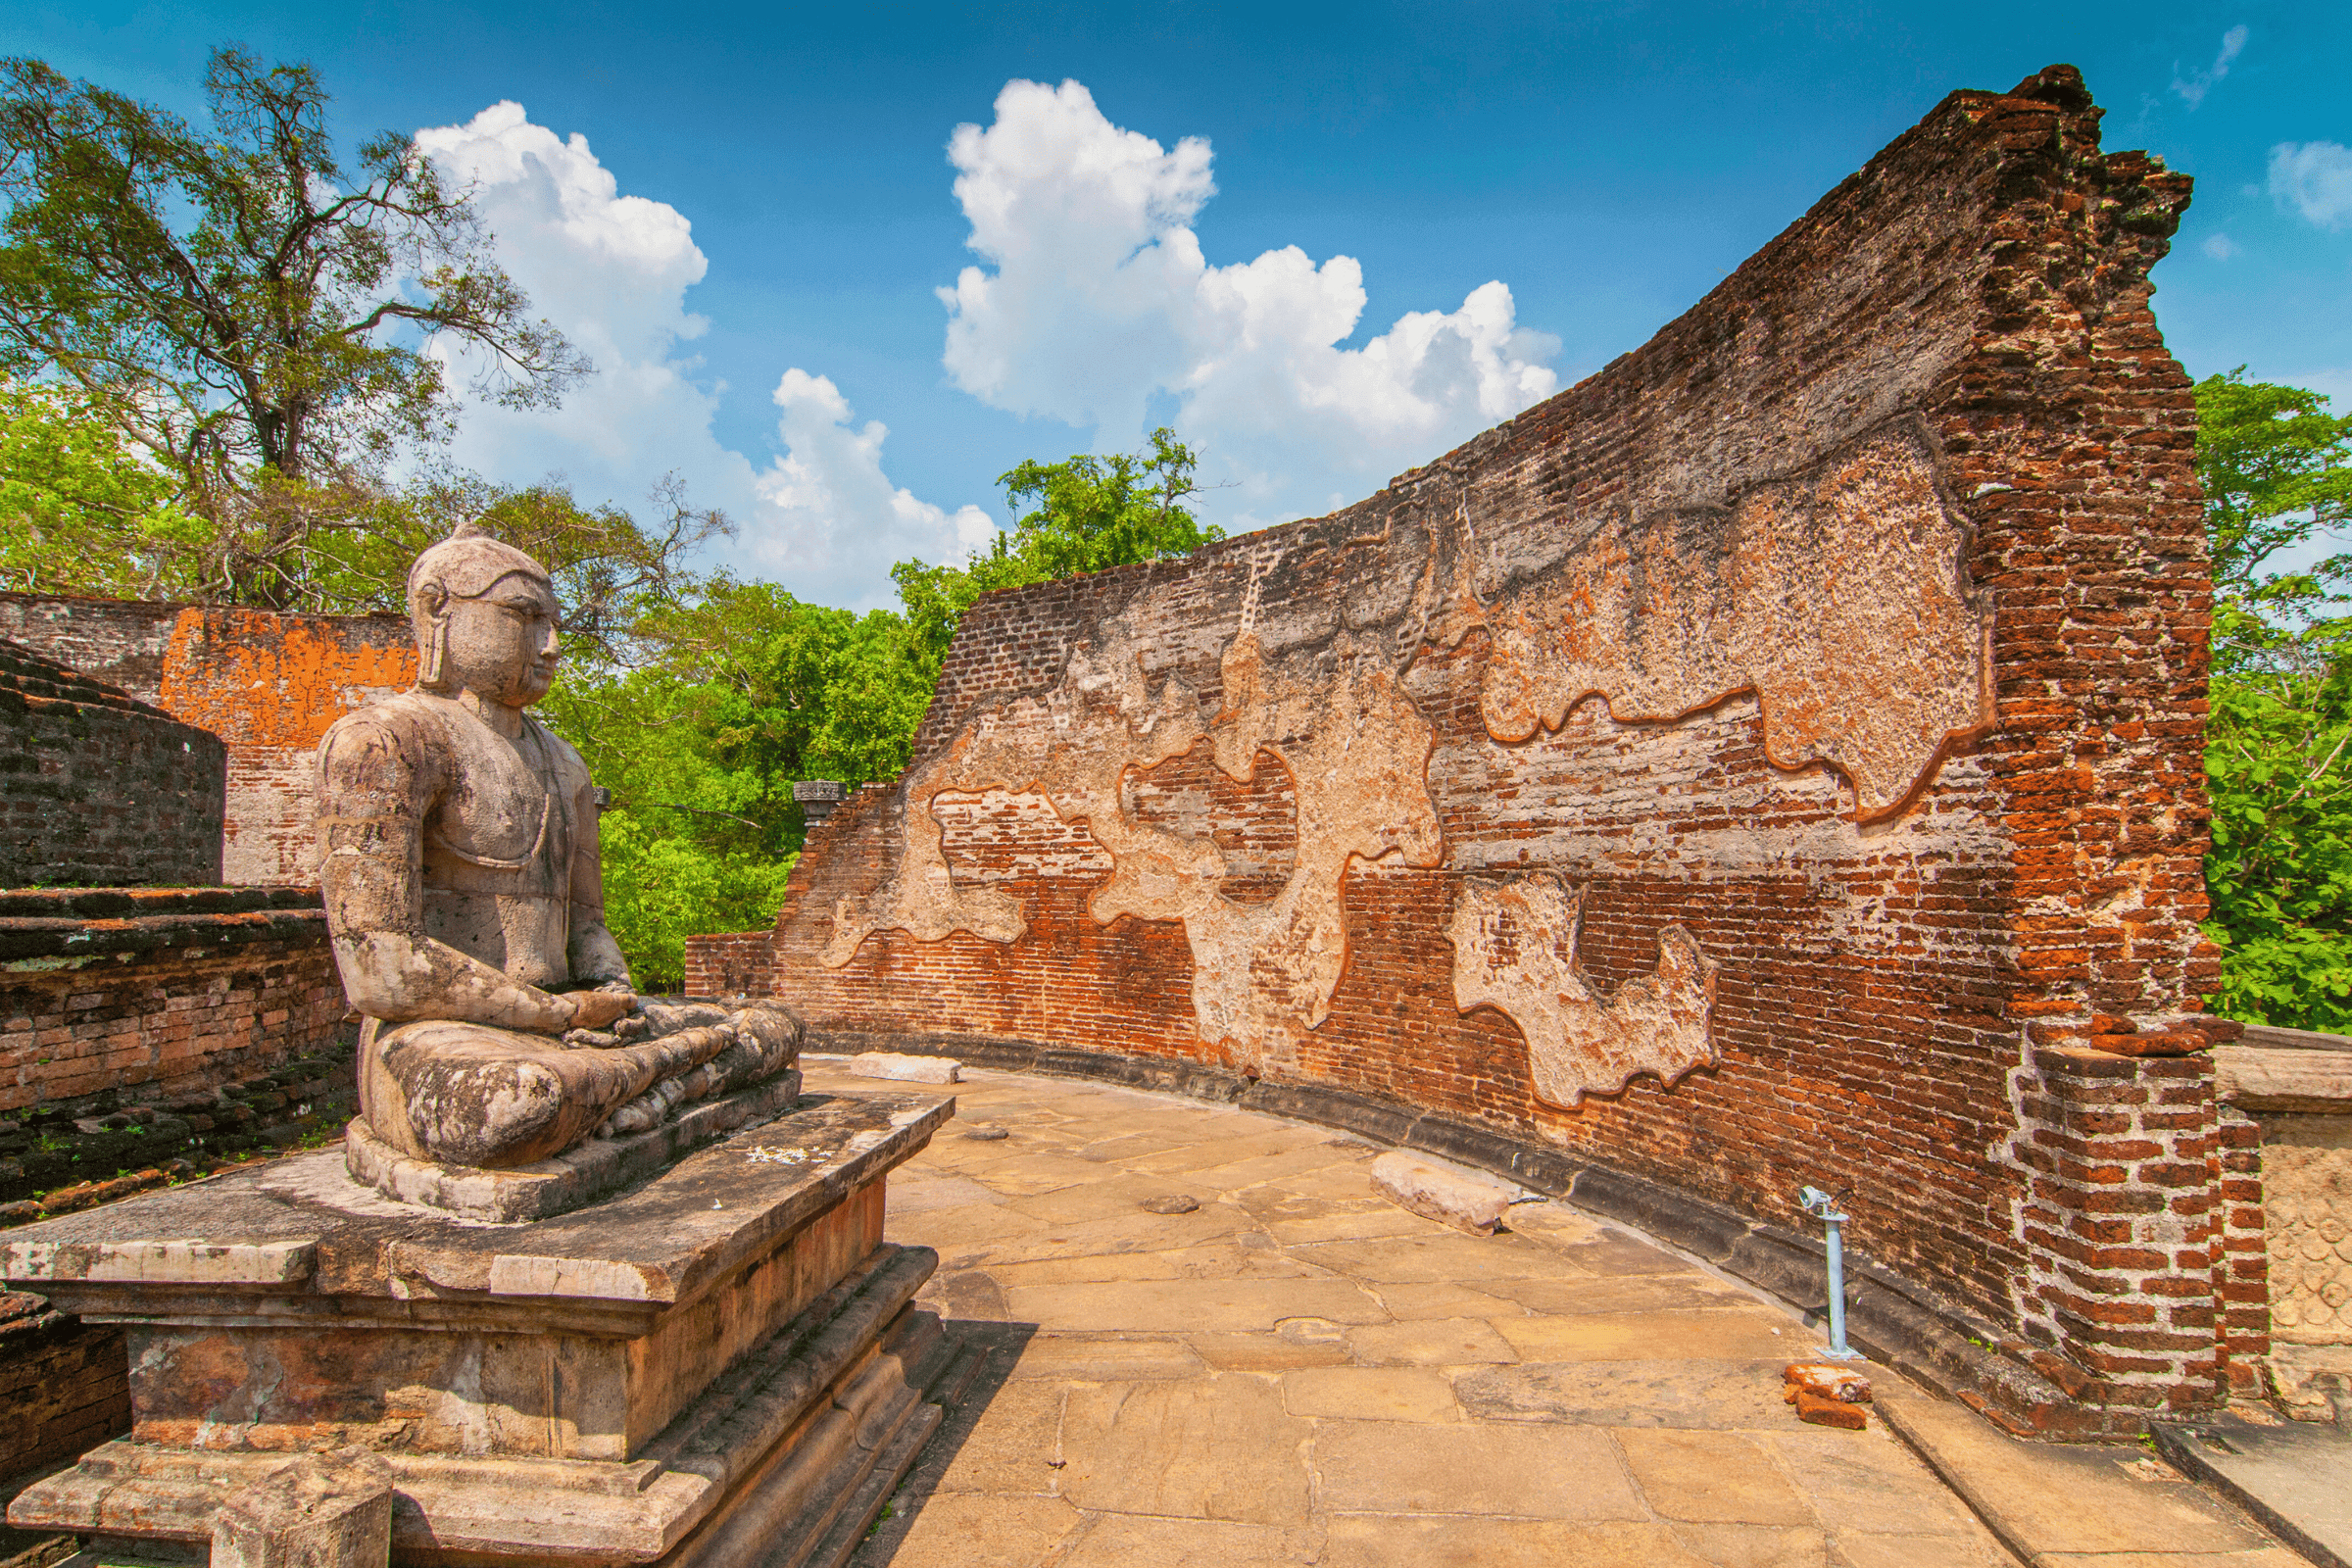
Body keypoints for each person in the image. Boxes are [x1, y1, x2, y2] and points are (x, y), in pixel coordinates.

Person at [318, 524, 793, 1169]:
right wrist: (552, 1012)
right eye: (523, 617)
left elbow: (586, 921)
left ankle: (638, 1083)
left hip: (571, 1024)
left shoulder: (563, 764)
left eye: (553, 623)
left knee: (771, 1029)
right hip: (450, 1037)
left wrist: (612, 986)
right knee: (509, 1106)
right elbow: (381, 966)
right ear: (437, 608)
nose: (552, 645)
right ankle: (665, 1082)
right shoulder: (388, 742)